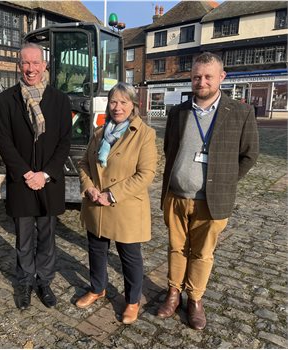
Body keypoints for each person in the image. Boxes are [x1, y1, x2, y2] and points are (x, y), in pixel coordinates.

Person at [158, 52, 259, 330]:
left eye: (207, 77)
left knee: (202, 253)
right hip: (176, 197)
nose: (201, 82)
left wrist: (224, 181)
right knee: (176, 248)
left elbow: (249, 155)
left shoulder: (240, 112)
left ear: (221, 78)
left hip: (212, 201)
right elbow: (170, 149)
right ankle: (173, 293)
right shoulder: (178, 112)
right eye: (196, 77)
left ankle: (196, 299)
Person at [0, 43, 71, 310]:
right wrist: (27, 173)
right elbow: (4, 141)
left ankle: (45, 281)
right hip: (21, 180)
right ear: (19, 65)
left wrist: (46, 174)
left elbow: (64, 142)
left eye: (36, 63)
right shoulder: (5, 100)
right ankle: (25, 281)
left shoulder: (60, 100)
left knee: (47, 235)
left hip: (48, 181)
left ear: (44, 65)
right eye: (26, 63)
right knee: (23, 236)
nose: (31, 69)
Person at [77, 82, 157, 324]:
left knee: (129, 256)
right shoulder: (100, 132)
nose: (117, 107)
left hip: (124, 206)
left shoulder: (144, 134)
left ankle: (132, 301)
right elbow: (83, 164)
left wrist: (111, 194)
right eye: (113, 101)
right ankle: (97, 288)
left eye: (123, 102)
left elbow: (146, 173)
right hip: (95, 204)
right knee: (96, 250)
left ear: (133, 105)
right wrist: (89, 187)